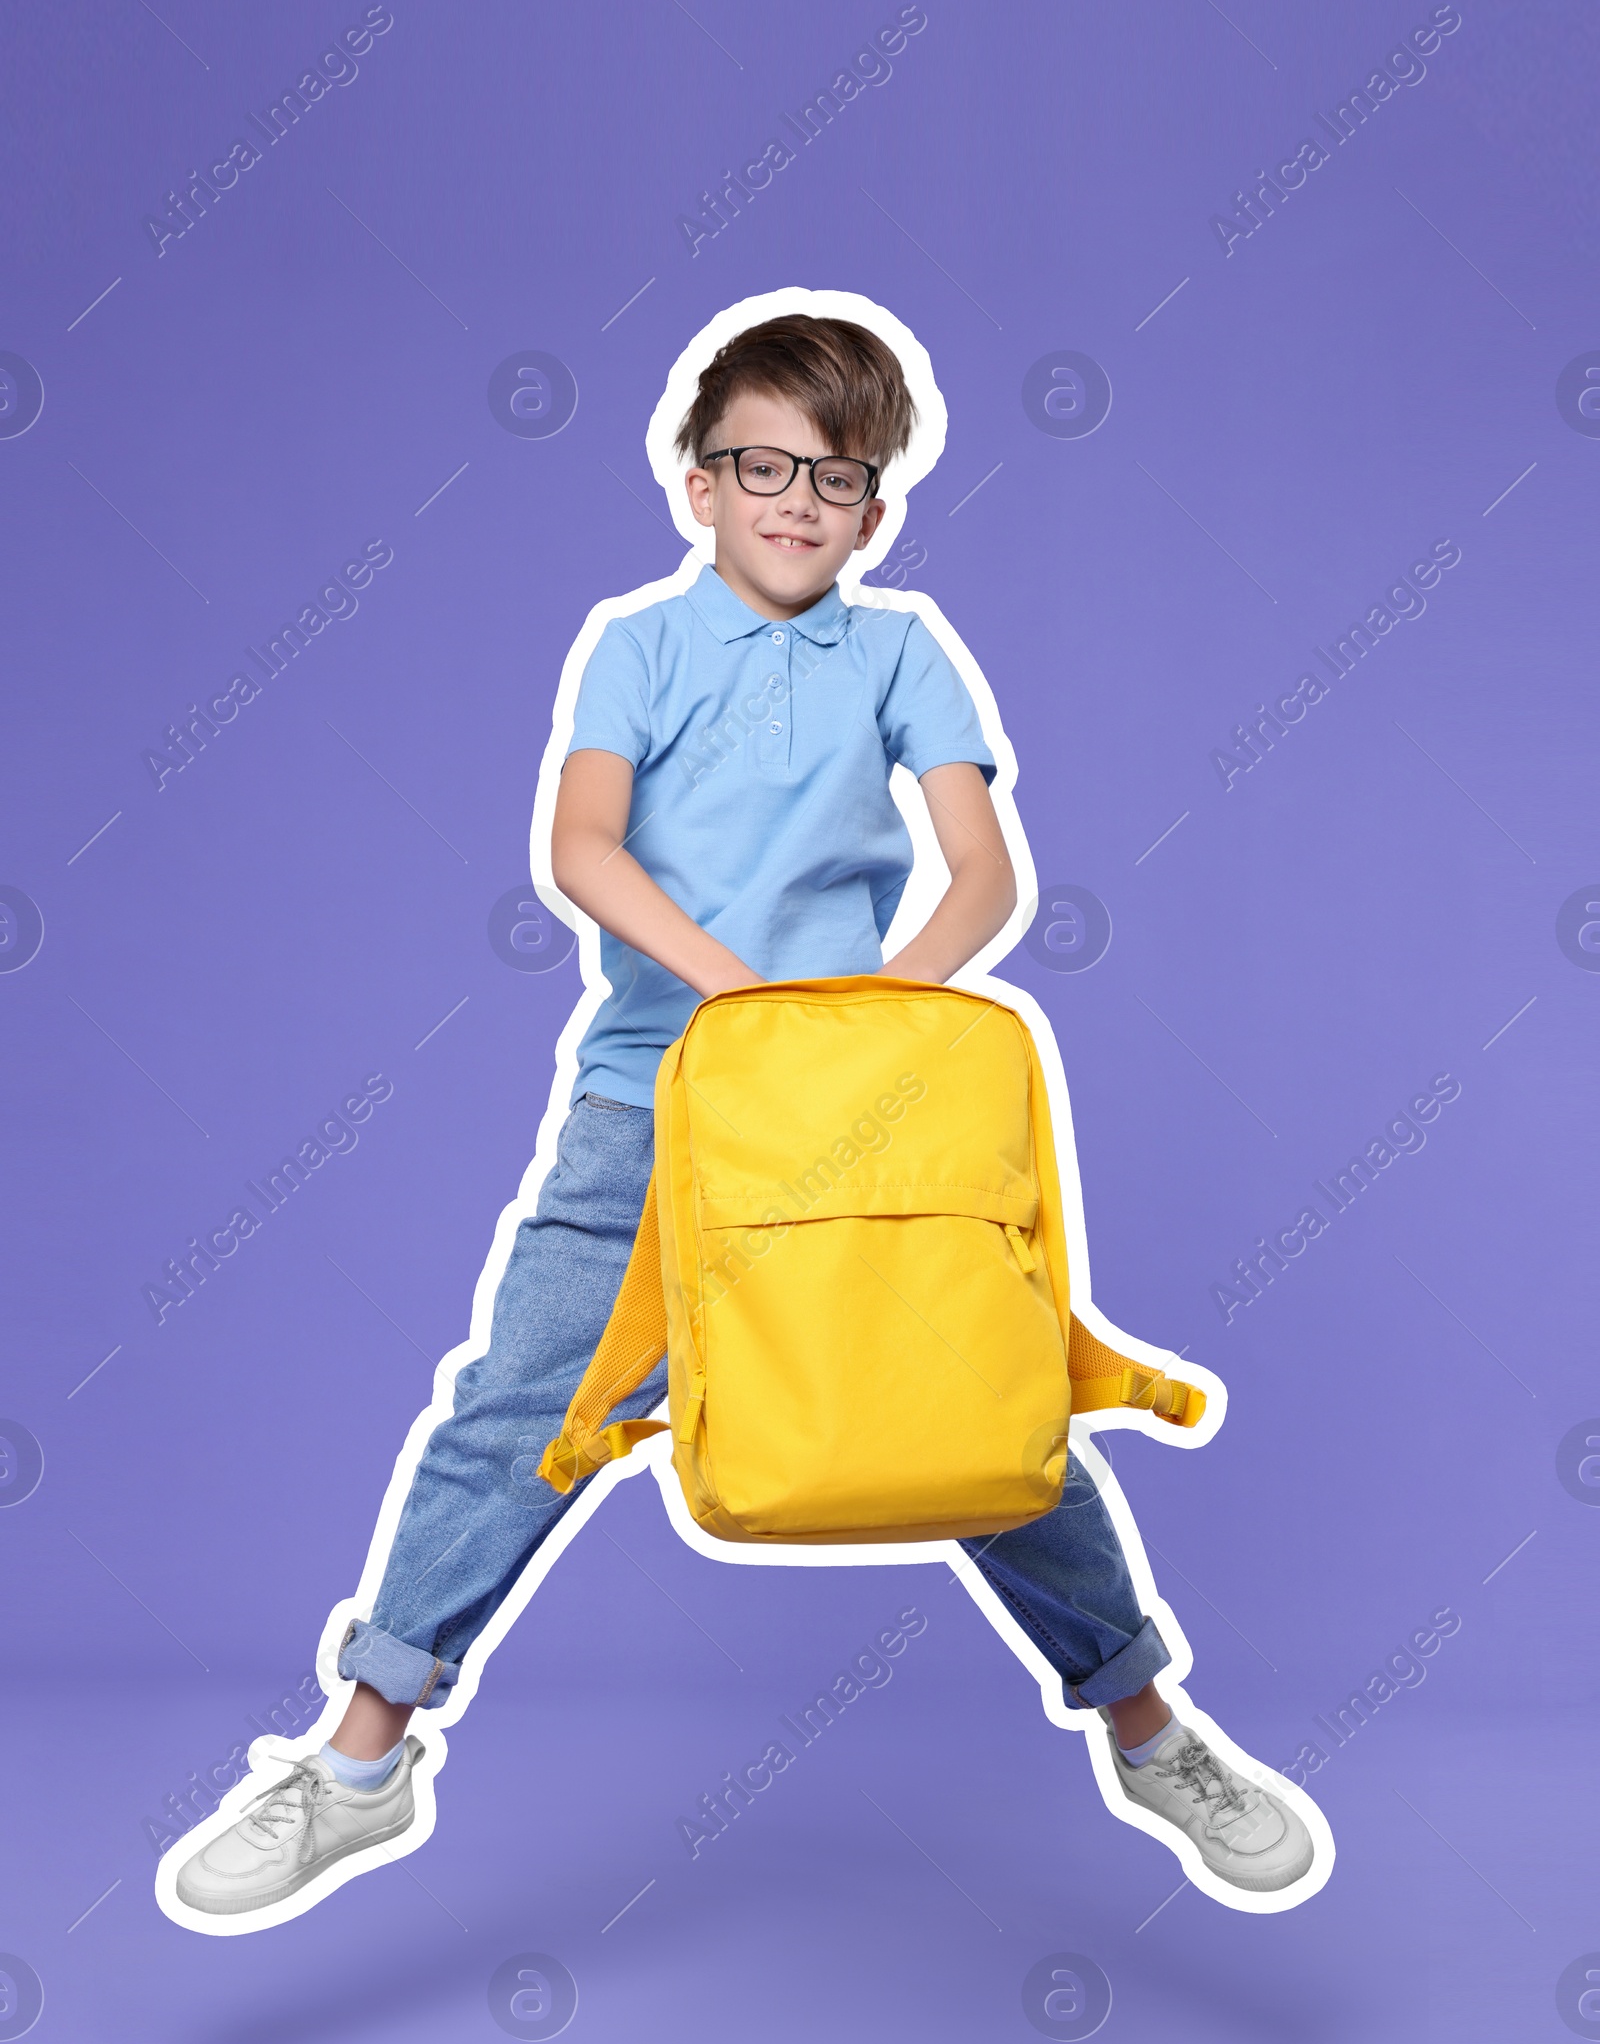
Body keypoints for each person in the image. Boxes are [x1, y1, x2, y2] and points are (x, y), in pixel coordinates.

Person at [171, 312, 1315, 1923]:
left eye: (836, 477)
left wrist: (873, 1016)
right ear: (696, 481)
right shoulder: (635, 643)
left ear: (876, 506)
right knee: (519, 1410)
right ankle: (360, 1760)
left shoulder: (908, 650)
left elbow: (984, 869)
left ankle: (1149, 1729)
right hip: (655, 1095)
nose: (796, 500)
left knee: (976, 1403)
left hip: (853, 1114)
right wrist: (737, 1003)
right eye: (760, 465)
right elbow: (585, 847)